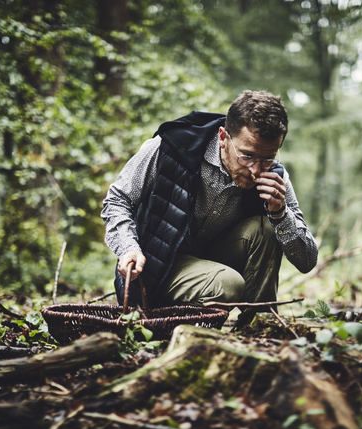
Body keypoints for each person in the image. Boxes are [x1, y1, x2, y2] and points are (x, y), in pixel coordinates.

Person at [101, 90, 317, 323]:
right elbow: (117, 199)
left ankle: (258, 327)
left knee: (266, 228)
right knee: (228, 284)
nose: (256, 170)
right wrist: (128, 248)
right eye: (247, 156)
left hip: (213, 262)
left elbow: (307, 261)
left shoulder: (274, 177)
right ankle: (174, 327)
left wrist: (280, 213)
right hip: (155, 271)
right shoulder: (171, 146)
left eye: (267, 159)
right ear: (223, 137)